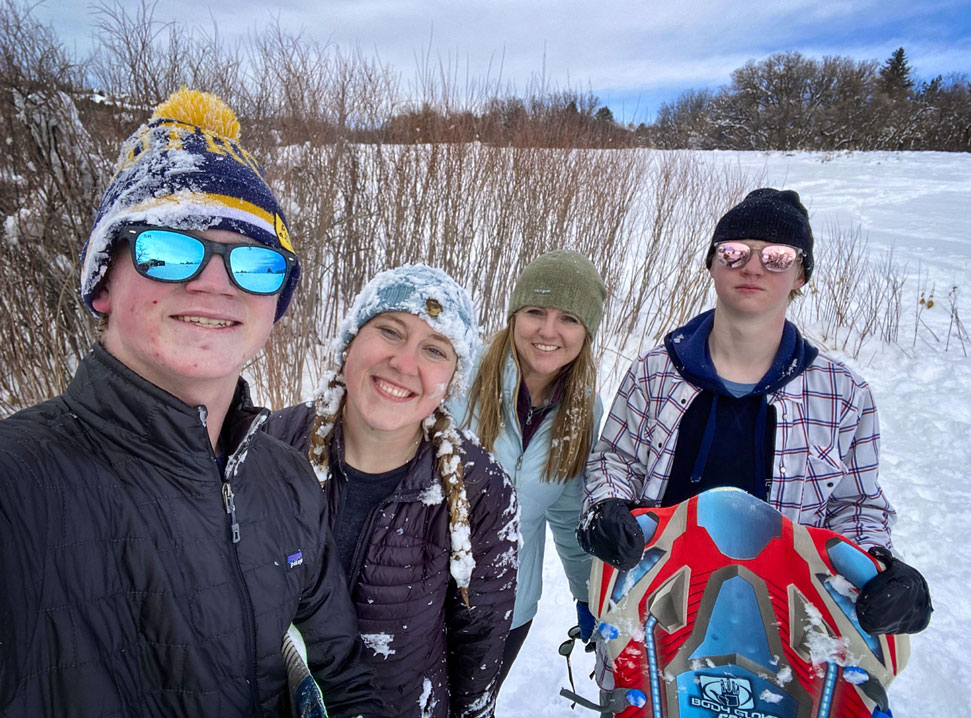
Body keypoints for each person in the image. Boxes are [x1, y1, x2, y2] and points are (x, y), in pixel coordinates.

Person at [0, 88, 380, 717]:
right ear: (103, 284)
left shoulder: (285, 478)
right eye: (171, 249)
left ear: (274, 308)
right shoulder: (19, 484)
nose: (213, 281)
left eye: (256, 263)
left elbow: (338, 677)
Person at [578, 188, 932, 640]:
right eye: (734, 251)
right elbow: (615, 460)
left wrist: (881, 569)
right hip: (655, 616)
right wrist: (608, 507)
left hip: (787, 633)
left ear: (801, 274)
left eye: (778, 256)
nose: (752, 266)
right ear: (711, 264)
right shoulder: (655, 371)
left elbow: (854, 503)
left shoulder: (843, 393)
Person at [264, 265, 519, 718]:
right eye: (389, 331)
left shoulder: (482, 489)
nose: (405, 364)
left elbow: (478, 644)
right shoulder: (271, 445)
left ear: (451, 380)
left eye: (434, 350)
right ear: (350, 344)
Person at [451, 249, 606, 686]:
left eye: (569, 319)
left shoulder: (583, 408)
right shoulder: (457, 375)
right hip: (424, 601)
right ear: (515, 314)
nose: (549, 331)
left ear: (586, 332)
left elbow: (569, 512)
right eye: (536, 311)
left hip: (510, 608)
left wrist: (589, 598)